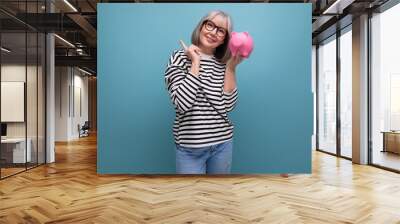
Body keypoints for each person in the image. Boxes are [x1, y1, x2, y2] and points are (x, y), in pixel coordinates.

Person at [165, 10, 243, 174]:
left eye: (221, 30)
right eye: (210, 25)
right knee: (190, 198)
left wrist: (231, 68)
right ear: (201, 26)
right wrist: (195, 62)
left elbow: (228, 106)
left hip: (223, 144)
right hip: (189, 148)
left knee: (218, 197)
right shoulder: (179, 57)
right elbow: (182, 104)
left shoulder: (224, 65)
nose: (214, 32)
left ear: (225, 39)